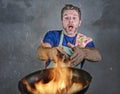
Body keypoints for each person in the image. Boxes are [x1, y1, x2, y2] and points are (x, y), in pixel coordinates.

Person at [36, 4, 101, 69]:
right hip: (52, 78)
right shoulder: (52, 35)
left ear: (79, 22)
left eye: (74, 18)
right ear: (62, 22)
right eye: (66, 18)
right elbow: (39, 53)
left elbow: (97, 56)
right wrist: (49, 52)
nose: (70, 21)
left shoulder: (84, 40)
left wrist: (84, 53)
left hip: (74, 78)